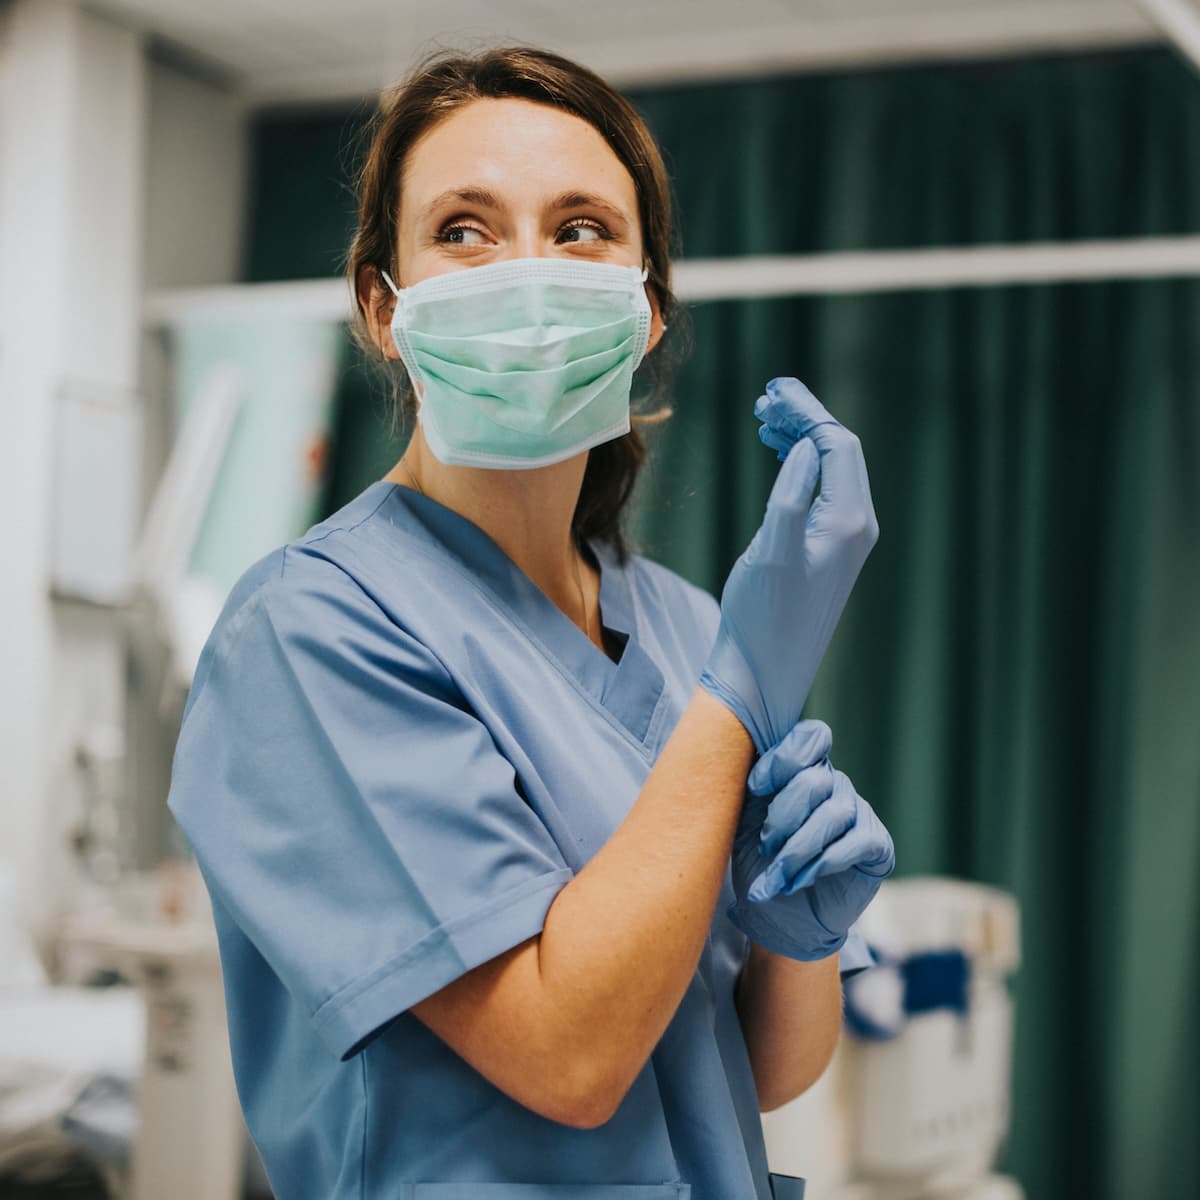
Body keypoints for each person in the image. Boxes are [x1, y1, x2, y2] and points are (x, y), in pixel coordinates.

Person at [167, 45, 894, 1200]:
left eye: (581, 229)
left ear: (646, 308)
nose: (527, 272)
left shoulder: (686, 625)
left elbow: (751, 1073)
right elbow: (571, 1056)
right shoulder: (309, 633)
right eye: (464, 229)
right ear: (381, 307)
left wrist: (798, 941)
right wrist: (742, 693)